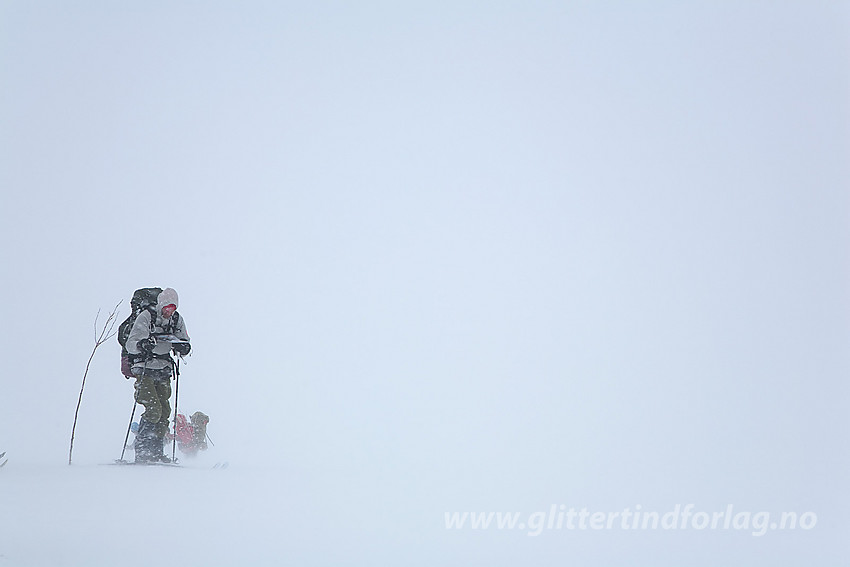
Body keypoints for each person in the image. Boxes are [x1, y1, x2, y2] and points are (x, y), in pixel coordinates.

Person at [125, 287, 191, 463]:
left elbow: (185, 342)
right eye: (167, 307)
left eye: (173, 308)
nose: (170, 312)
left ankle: (156, 452)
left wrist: (183, 347)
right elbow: (131, 344)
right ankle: (143, 450)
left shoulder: (177, 320)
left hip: (163, 369)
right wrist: (143, 345)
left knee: (165, 412)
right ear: (161, 304)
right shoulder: (147, 316)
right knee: (154, 409)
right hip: (144, 368)